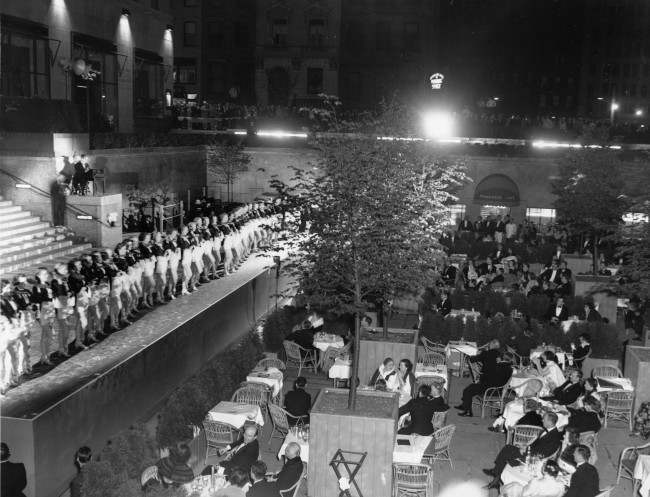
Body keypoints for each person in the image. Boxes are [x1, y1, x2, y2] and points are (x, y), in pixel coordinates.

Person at [483, 412, 562, 489]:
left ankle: (496, 479)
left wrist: (526, 450)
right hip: (530, 451)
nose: (542, 420)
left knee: (507, 455)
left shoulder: (555, 437)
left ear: (549, 421)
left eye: (544, 419)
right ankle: (496, 472)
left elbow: (543, 454)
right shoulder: (546, 430)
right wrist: (525, 446)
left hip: (533, 458)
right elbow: (536, 444)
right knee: (507, 448)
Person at [456, 340, 511, 417]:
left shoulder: (487, 354)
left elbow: (472, 359)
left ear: (490, 345)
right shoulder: (508, 367)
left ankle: (468, 411)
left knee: (468, 389)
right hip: (499, 390)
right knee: (471, 387)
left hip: (488, 389)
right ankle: (465, 405)